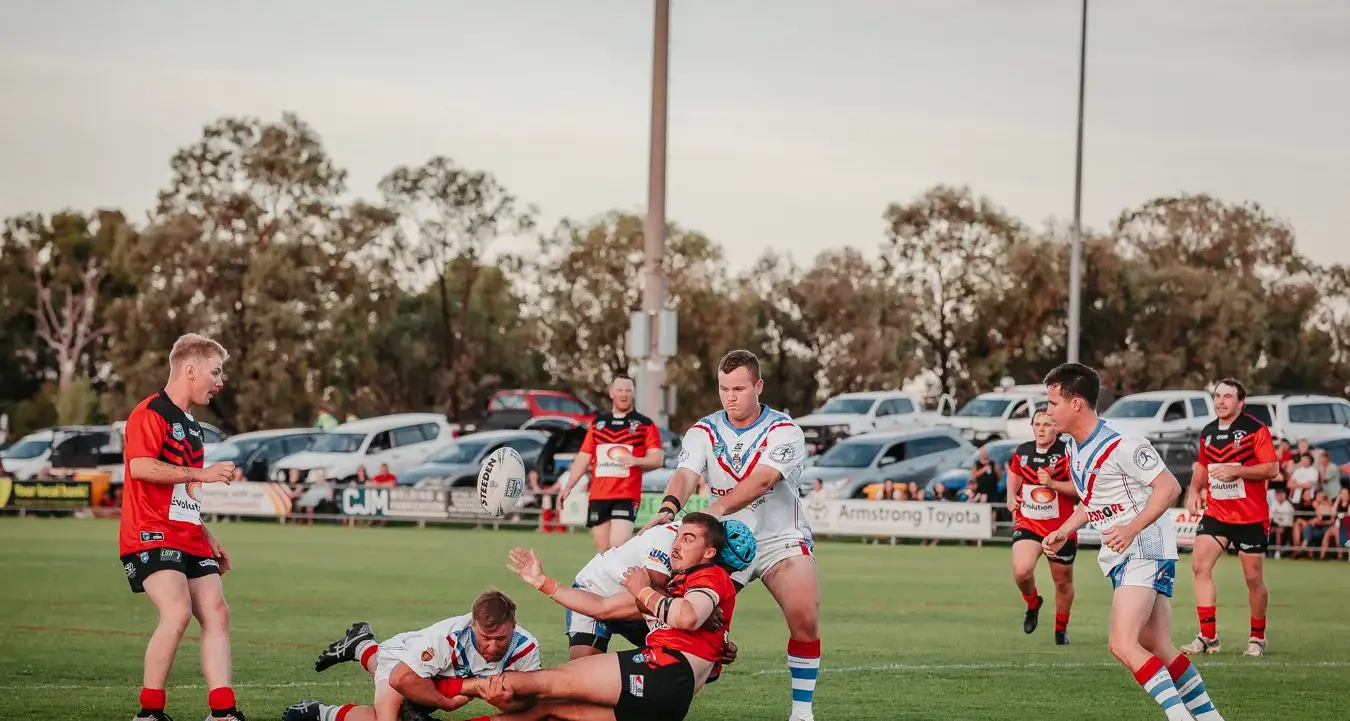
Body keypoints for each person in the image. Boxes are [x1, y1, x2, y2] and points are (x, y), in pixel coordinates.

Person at [1040, 363, 1224, 721]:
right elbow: (1093, 500)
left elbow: (1169, 487)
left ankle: (1180, 718)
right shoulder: (1075, 448)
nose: (1048, 412)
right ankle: (1210, 718)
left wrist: (1132, 528)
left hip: (1143, 548)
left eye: (1053, 402)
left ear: (1076, 403)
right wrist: (1066, 528)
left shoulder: (1123, 443)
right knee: (1157, 644)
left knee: (1122, 643)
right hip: (1127, 551)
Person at [644, 350, 820, 721]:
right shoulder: (703, 430)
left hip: (779, 540)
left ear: (758, 386)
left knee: (804, 615)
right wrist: (668, 509)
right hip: (722, 544)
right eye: (724, 388)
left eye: (739, 388)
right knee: (683, 618)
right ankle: (664, 696)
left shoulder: (784, 430)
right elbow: (686, 475)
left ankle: (802, 714)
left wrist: (716, 510)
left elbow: (763, 480)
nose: (730, 396)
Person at [448, 512, 752, 721]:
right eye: (679, 536)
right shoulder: (681, 591)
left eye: (687, 539)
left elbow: (685, 617)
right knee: (552, 710)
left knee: (549, 682)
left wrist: (642, 590)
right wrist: (543, 582)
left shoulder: (708, 576)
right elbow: (602, 609)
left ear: (711, 553)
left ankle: (447, 685)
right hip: (669, 701)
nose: (675, 543)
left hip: (663, 672)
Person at [118, 333, 245, 721]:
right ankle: (149, 712)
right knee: (177, 612)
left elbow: (183, 492)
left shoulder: (192, 426)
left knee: (217, 612)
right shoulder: (149, 413)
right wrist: (203, 474)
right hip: (149, 532)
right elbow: (141, 467)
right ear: (190, 370)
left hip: (187, 534)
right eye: (215, 372)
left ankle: (222, 713)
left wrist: (207, 535)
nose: (220, 382)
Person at [286, 591, 542, 721]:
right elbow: (402, 679)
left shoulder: (526, 649)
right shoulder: (447, 637)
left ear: (514, 625)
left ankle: (361, 645)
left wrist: (504, 702)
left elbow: (528, 703)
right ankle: (319, 712)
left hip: (437, 676)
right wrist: (446, 703)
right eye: (486, 638)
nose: (493, 646)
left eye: (501, 639)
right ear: (473, 624)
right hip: (402, 659)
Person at [1181, 378, 1279, 658]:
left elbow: (1271, 468)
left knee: (1253, 579)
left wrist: (1239, 472)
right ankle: (1208, 637)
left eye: (1227, 396)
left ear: (1241, 402)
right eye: (1217, 396)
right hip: (1217, 514)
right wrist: (1194, 490)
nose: (1221, 401)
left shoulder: (1255, 430)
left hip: (1251, 516)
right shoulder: (1208, 432)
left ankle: (1257, 638)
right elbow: (1203, 464)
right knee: (1200, 566)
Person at [557, 376, 664, 552]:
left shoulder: (644, 424)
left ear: (633, 394)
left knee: (618, 546)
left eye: (628, 390)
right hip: (599, 495)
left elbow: (657, 458)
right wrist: (568, 486)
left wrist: (636, 460)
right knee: (602, 551)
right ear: (611, 393)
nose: (624, 394)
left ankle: (622, 578)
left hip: (626, 495)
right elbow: (584, 457)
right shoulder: (598, 423)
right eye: (620, 390)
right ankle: (603, 580)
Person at [1005, 408, 1077, 644]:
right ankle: (1033, 603)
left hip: (1061, 528)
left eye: (1047, 424)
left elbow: (1080, 490)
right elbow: (1014, 472)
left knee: (1062, 581)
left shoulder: (1068, 452)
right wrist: (1010, 495)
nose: (1041, 430)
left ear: (1056, 427)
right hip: (1029, 522)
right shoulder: (1023, 451)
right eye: (1037, 425)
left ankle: (1060, 630)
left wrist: (1054, 484)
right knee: (1022, 571)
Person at [1268, 487, 1295, 557]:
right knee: (1265, 530)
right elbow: (1270, 518)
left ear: (1284, 495)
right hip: (1275, 525)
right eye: (1278, 494)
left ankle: (1277, 552)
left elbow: (1287, 522)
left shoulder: (1288, 505)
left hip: (1286, 527)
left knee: (1278, 532)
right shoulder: (1274, 503)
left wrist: (1277, 528)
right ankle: (1265, 551)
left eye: (1281, 494)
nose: (1279, 496)